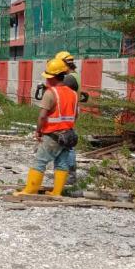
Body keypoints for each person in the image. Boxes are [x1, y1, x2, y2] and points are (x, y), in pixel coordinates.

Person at [15, 58, 79, 197]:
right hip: (68, 135)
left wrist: (38, 130)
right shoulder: (74, 94)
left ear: (53, 78)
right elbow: (76, 115)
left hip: (52, 135)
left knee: (40, 161)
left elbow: (42, 116)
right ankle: (56, 192)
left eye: (48, 77)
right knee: (61, 163)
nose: (47, 80)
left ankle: (30, 190)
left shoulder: (51, 93)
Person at [55, 51, 80, 184]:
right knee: (66, 141)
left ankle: (69, 173)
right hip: (71, 109)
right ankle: (65, 171)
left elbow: (59, 89)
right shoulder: (74, 75)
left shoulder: (69, 79)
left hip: (68, 110)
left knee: (68, 143)